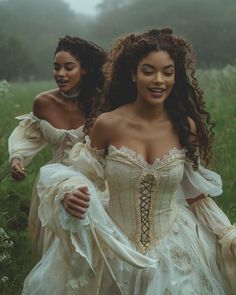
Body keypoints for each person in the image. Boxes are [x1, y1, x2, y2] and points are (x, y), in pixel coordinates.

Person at [22, 28, 236, 294]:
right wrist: (67, 193)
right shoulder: (108, 124)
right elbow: (82, 175)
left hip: (176, 248)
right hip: (114, 247)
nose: (159, 80)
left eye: (167, 72)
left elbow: (195, 195)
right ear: (133, 74)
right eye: (148, 71)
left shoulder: (185, 126)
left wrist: (227, 234)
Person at [8, 35, 106, 258]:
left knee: (91, 254)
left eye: (68, 67)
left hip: (94, 185)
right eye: (56, 67)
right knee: (57, 253)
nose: (60, 74)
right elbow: (28, 136)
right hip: (53, 186)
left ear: (85, 69)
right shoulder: (43, 102)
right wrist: (17, 160)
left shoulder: (102, 104)